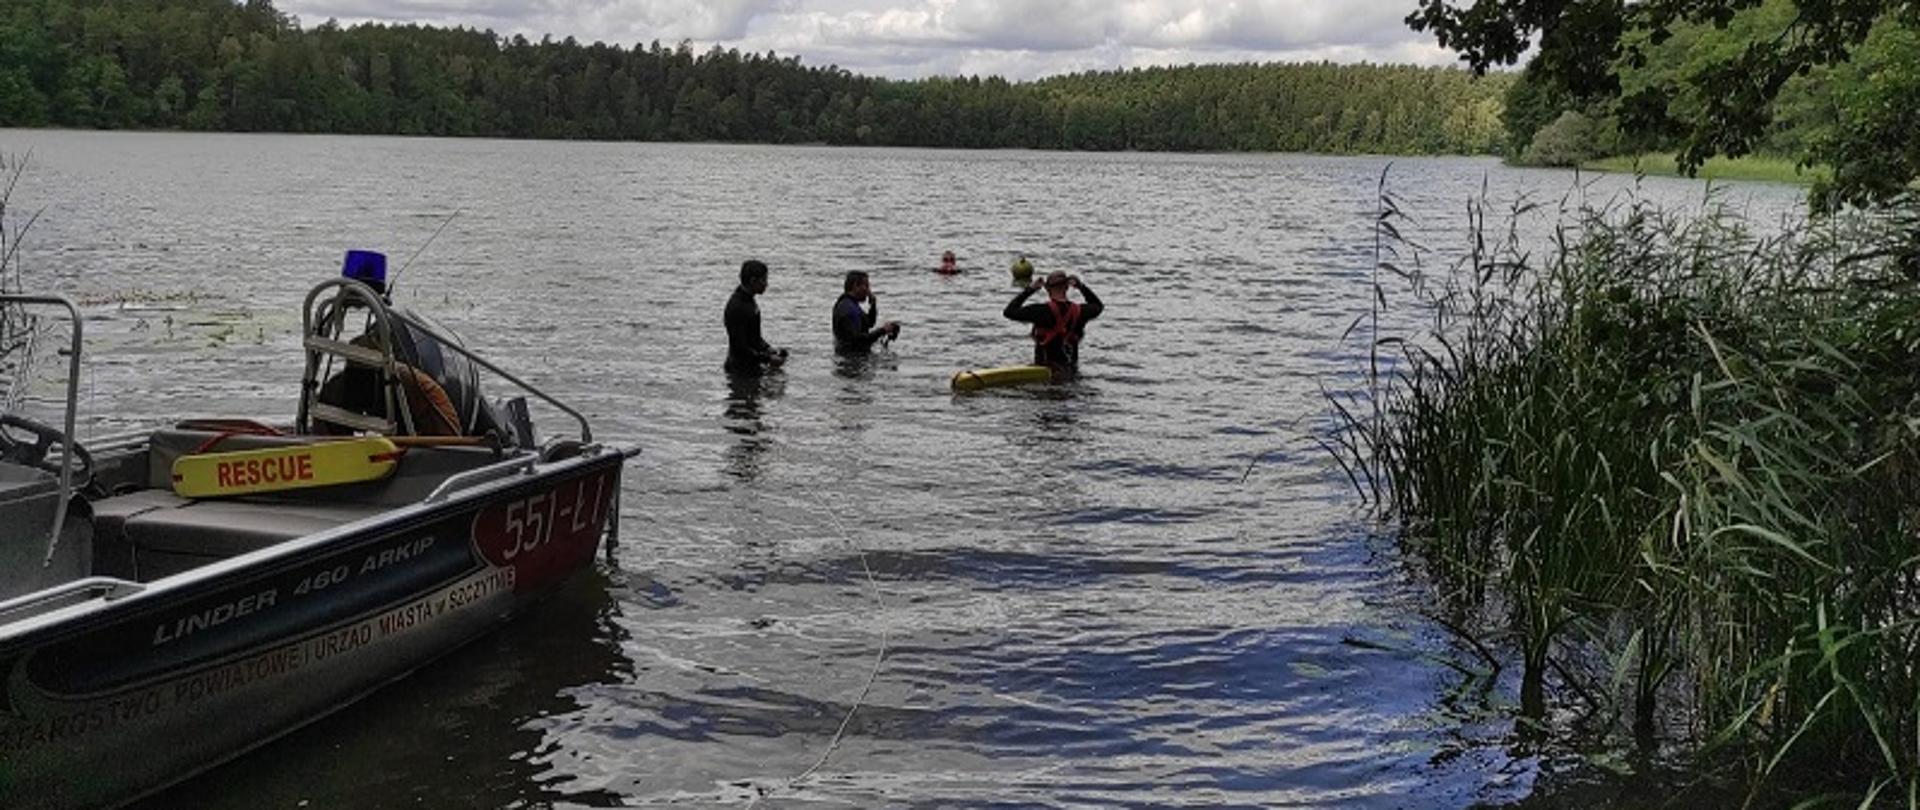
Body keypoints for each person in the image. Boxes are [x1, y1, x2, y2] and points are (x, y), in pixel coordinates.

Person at [1004, 270, 1103, 372]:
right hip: (1071, 372)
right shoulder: (1081, 311)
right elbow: (1098, 306)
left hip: (1044, 373)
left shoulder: (1040, 311)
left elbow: (1009, 312)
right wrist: (1081, 287)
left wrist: (1031, 289)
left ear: (1047, 289)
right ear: (1067, 287)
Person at [725, 259, 787, 374]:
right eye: (764, 280)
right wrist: (767, 359)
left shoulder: (748, 301)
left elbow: (754, 337)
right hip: (740, 370)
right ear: (753, 281)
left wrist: (768, 349)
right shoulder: (737, 307)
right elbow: (739, 347)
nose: (766, 284)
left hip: (751, 364)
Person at [832, 270, 900, 355]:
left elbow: (869, 323)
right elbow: (858, 340)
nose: (869, 291)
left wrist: (873, 305)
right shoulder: (849, 310)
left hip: (848, 355)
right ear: (855, 286)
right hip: (853, 360)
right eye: (866, 286)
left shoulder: (847, 304)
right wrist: (882, 330)